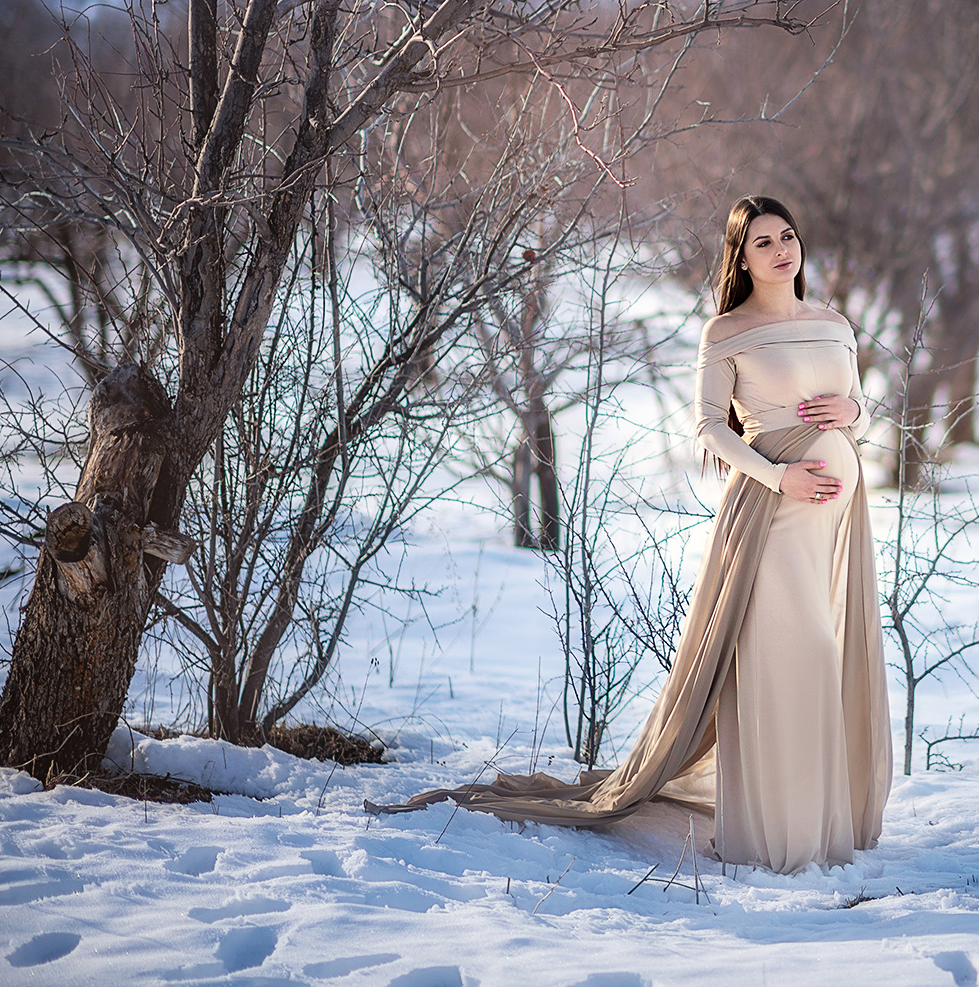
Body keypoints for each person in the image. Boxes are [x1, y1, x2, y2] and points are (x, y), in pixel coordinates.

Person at [369, 195, 892, 875]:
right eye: (761, 242)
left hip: (835, 519)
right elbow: (708, 427)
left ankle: (821, 826)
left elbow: (855, 409)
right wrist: (777, 476)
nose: (780, 250)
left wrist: (854, 409)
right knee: (791, 656)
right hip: (770, 512)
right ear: (740, 258)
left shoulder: (834, 323)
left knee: (827, 655)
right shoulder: (727, 330)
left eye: (787, 236)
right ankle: (774, 835)